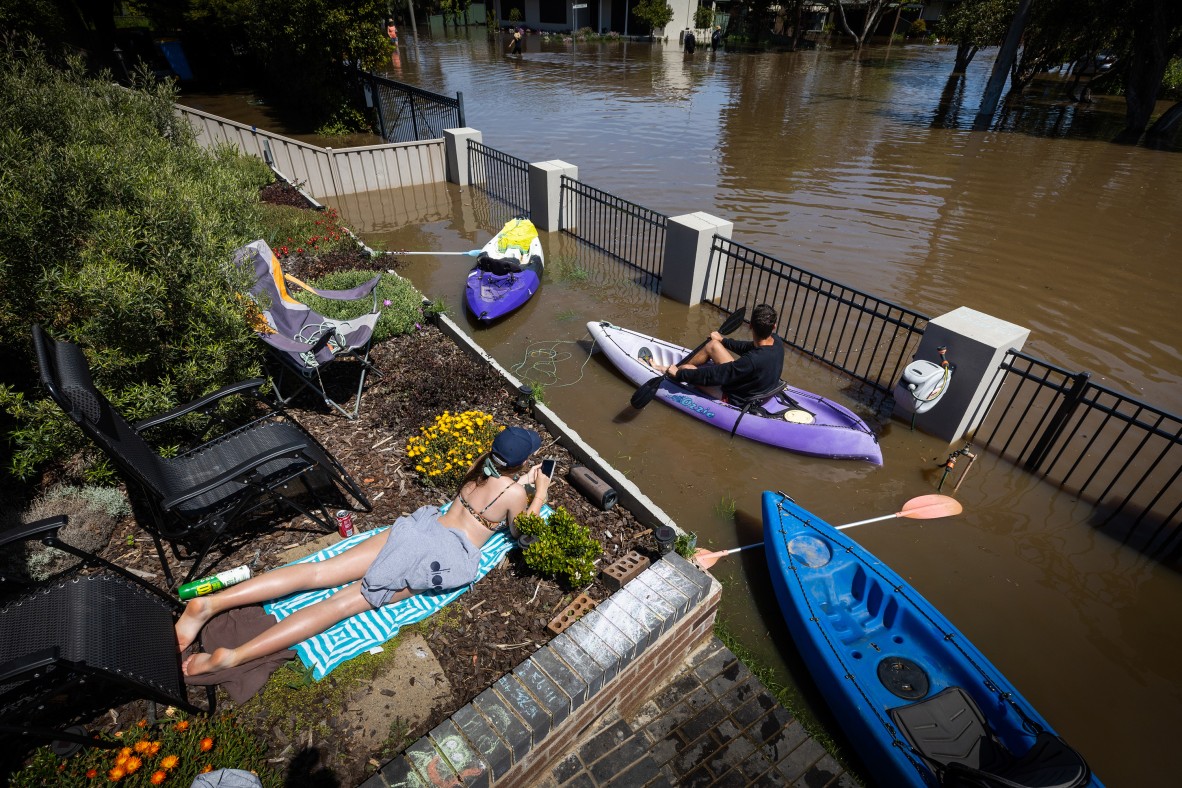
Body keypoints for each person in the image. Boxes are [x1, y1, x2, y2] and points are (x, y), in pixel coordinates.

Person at [176, 426, 551, 677]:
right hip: (438, 557)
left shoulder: (478, 467)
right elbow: (523, 535)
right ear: (521, 463)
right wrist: (541, 492)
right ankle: (236, 656)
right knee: (339, 604)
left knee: (318, 573)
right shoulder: (516, 493)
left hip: (419, 530)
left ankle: (210, 604)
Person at [648, 303, 784, 404]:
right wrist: (723, 340)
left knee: (686, 369)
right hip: (753, 383)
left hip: (736, 396)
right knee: (713, 345)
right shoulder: (777, 342)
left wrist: (679, 374)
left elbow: (714, 376)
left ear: (750, 326)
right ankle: (675, 369)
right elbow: (748, 347)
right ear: (774, 327)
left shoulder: (751, 361)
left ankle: (666, 370)